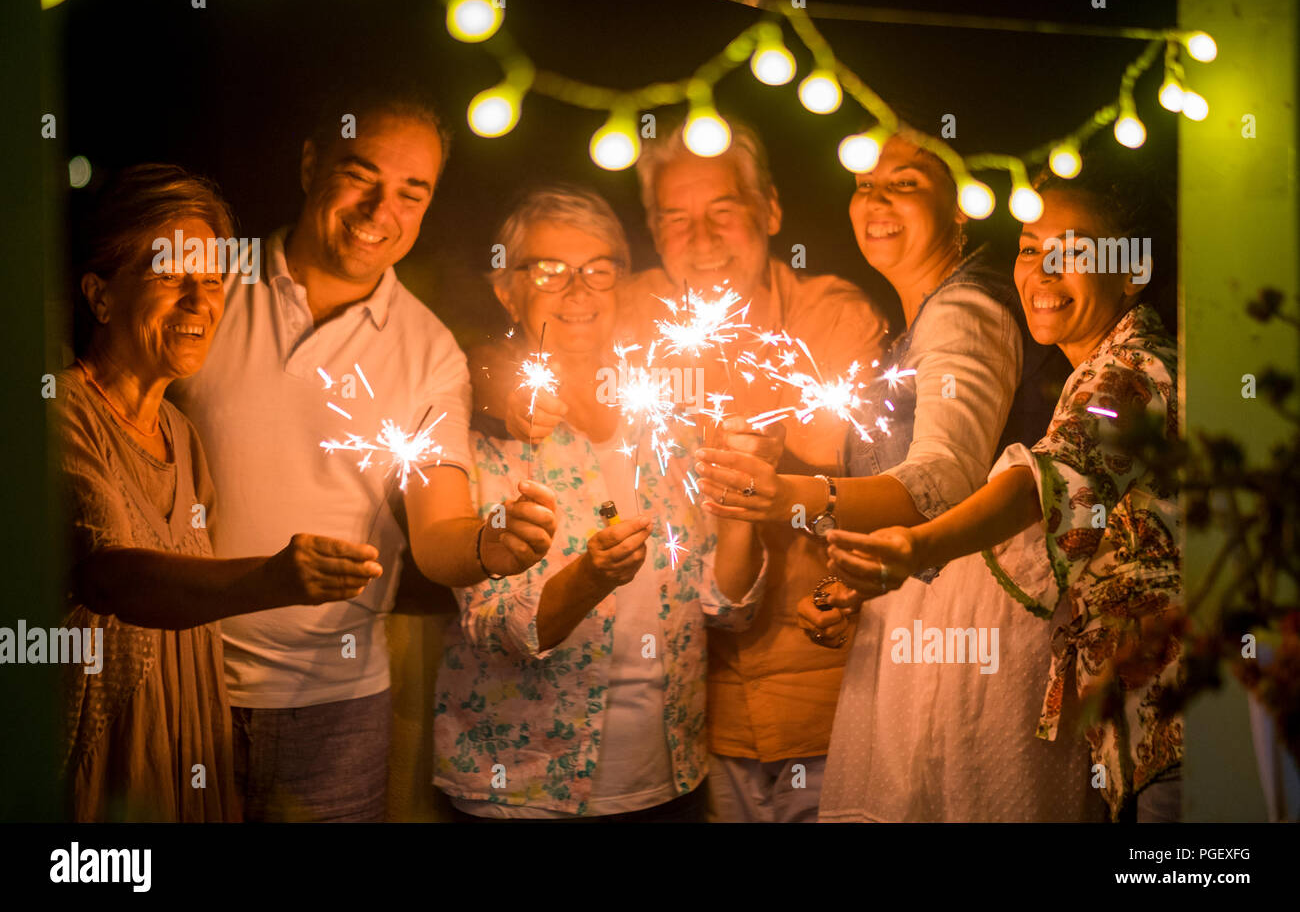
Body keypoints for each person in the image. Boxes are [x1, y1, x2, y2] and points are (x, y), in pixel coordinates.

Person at [473, 119, 891, 822]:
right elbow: (533, 329)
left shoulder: (829, 318)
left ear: (771, 212)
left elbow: (862, 474)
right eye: (675, 219)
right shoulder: (624, 306)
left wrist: (765, 474)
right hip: (699, 731)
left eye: (723, 211)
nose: (701, 239)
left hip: (822, 703)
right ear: (654, 233)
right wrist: (498, 390)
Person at [170, 86, 558, 822]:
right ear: (312, 162)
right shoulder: (210, 286)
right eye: (361, 175)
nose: (383, 211)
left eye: (413, 193)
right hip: (180, 680)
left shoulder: (429, 351)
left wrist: (493, 545)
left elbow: (439, 536)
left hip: (336, 705)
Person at [822, 155, 1183, 822]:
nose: (1041, 273)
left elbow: (1039, 486)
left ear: (1133, 271)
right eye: (1028, 249)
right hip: (1134, 730)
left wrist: (913, 545)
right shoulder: (1088, 371)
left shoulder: (1133, 373)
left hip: (1178, 730)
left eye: (1072, 252)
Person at [693, 130, 1031, 817]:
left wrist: (789, 495)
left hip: (972, 650)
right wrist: (848, 585)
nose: (876, 200)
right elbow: (905, 509)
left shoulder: (965, 311)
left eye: (905, 183)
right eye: (864, 185)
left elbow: (946, 480)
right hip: (919, 633)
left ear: (961, 205)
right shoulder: (918, 323)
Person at [57, 164, 383, 822]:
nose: (198, 303)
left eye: (211, 282)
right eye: (170, 276)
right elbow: (113, 577)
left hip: (184, 762)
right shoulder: (57, 416)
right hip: (104, 775)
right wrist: (272, 580)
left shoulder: (181, 432)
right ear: (100, 296)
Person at [434, 185, 770, 820]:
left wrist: (739, 513)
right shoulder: (482, 428)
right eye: (550, 270)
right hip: (523, 791)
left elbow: (725, 609)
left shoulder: (668, 421)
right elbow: (493, 626)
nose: (578, 291)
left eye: (597, 270)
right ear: (507, 287)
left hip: (670, 778)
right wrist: (589, 578)